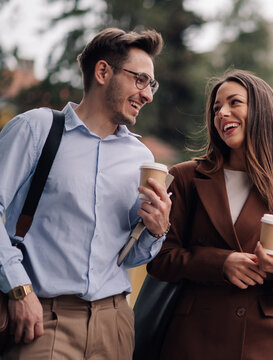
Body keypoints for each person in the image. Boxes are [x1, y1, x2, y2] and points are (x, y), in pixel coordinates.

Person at [0, 28, 171, 359]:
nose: (148, 95)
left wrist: (155, 230)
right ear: (103, 72)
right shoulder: (36, 129)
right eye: (140, 80)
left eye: (152, 85)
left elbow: (130, 256)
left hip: (116, 324)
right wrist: (18, 289)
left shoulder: (141, 159)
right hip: (41, 320)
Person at [147, 69, 273, 359]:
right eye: (216, 108)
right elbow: (160, 259)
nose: (222, 113)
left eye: (234, 103)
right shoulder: (186, 177)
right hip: (193, 339)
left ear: (261, 111)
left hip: (262, 342)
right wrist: (220, 263)